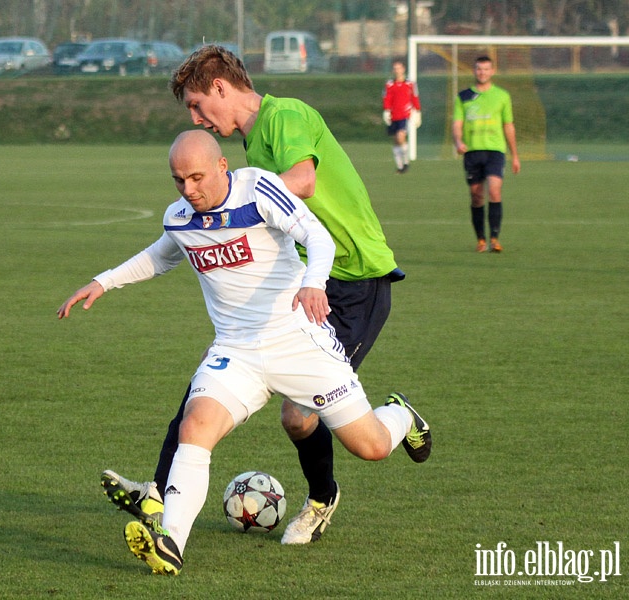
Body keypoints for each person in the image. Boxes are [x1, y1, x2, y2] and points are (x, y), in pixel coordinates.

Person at [58, 130, 431, 575]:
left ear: (222, 166)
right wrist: (104, 281)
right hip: (236, 351)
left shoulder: (257, 190)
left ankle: (402, 415)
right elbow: (161, 256)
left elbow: (318, 236)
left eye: (197, 177)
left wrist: (313, 282)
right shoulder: (180, 217)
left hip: (300, 342)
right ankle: (170, 543)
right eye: (178, 180)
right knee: (195, 426)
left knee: (370, 447)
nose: (189, 190)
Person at [101, 44, 406, 546]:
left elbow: (301, 183)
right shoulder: (249, 149)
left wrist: (227, 207)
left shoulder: (281, 116)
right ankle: (159, 492)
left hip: (353, 281)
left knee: (300, 416)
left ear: (221, 87)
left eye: (199, 106)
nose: (198, 118)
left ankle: (323, 496)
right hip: (308, 279)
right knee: (211, 378)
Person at [452, 55, 520, 253]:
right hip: (472, 152)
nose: (482, 72)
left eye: (486, 69)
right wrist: (458, 141)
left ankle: (495, 239)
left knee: (494, 191)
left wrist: (515, 154)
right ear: (474, 71)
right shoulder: (463, 97)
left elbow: (508, 125)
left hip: (495, 151)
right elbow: (457, 124)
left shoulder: (502, 96)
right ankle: (481, 239)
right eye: (479, 69)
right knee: (476, 196)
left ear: (492, 71)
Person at [382, 60, 421, 173]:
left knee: (400, 137)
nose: (397, 71)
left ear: (403, 69)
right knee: (396, 141)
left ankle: (406, 162)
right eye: (395, 68)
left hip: (405, 115)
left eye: (399, 68)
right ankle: (400, 166)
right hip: (393, 115)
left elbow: (415, 97)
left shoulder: (410, 84)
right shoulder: (389, 84)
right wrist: (386, 111)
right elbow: (386, 98)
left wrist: (418, 112)